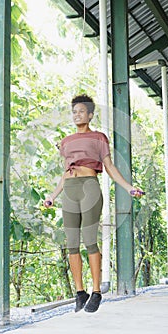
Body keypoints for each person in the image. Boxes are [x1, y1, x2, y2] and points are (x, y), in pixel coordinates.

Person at [44, 94, 144, 313]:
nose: (77, 115)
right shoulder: (66, 142)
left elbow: (109, 166)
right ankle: (80, 292)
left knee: (90, 240)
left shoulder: (99, 137)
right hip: (69, 190)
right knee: (71, 243)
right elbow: (65, 172)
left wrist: (129, 187)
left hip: (89, 186)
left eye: (81, 111)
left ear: (90, 115)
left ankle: (96, 291)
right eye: (74, 111)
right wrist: (52, 195)